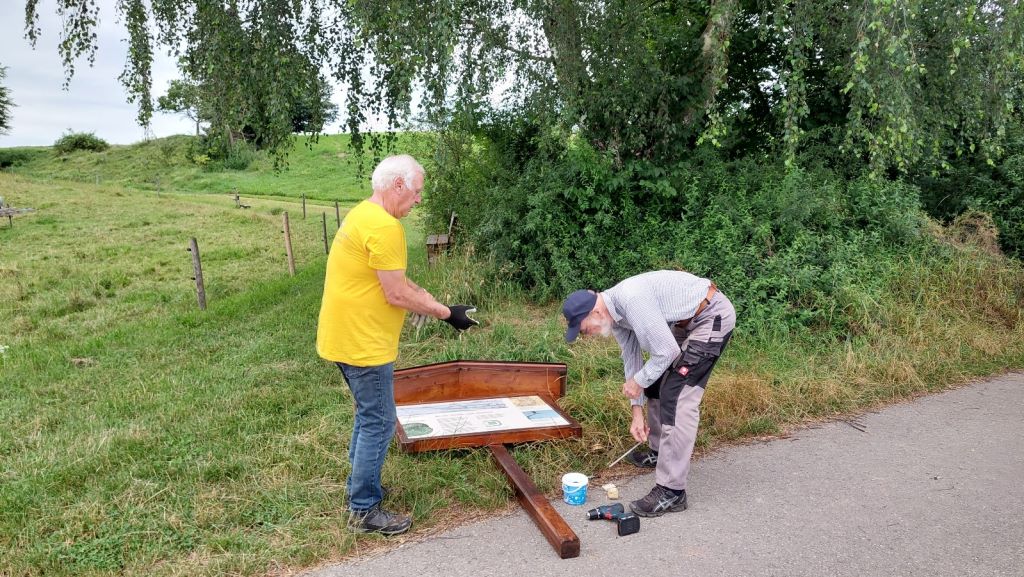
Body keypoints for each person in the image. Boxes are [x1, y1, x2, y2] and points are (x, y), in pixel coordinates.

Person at [316, 154, 478, 535]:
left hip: (342, 336)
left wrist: (436, 303)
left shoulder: (362, 214)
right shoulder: (385, 227)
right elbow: (396, 293)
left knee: (368, 415)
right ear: (398, 185)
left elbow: (398, 283)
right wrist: (446, 314)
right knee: (381, 421)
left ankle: (360, 488)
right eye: (417, 191)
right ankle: (364, 509)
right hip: (363, 343)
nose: (419, 200)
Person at [562, 270, 735, 517]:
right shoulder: (616, 315)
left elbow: (667, 352)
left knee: (677, 396)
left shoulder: (632, 301)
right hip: (685, 322)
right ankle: (658, 451)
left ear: (595, 313)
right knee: (655, 382)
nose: (585, 335)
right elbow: (633, 362)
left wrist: (639, 381)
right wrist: (637, 413)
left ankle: (672, 492)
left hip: (711, 316)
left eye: (583, 330)